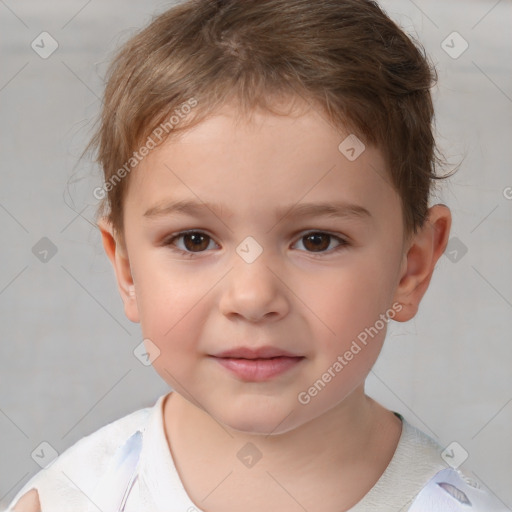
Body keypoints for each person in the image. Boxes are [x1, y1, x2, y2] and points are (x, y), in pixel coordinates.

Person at [5, 0, 508, 511]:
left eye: (317, 240)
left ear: (411, 267)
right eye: (194, 240)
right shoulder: (71, 499)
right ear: (127, 268)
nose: (252, 297)